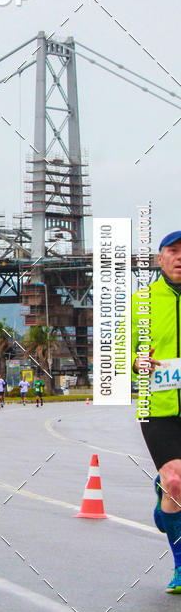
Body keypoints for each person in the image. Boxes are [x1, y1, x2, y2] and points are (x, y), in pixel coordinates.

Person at [132, 230, 181, 592]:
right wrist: (136, 362)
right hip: (158, 407)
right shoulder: (142, 302)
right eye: (173, 251)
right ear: (160, 258)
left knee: (174, 485)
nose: (180, 257)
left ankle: (164, 493)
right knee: (176, 481)